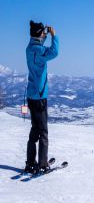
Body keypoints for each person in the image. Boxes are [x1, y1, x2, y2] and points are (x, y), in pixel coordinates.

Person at [24, 21, 59, 174]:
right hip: (40, 97)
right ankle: (42, 164)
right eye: (43, 32)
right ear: (39, 34)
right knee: (43, 131)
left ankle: (31, 162)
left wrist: (42, 35)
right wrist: (54, 36)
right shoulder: (40, 51)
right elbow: (54, 52)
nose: (45, 34)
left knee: (34, 129)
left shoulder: (30, 49)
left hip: (31, 95)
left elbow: (38, 43)